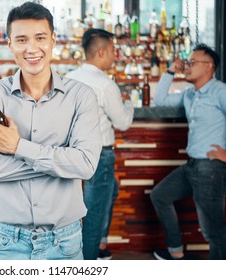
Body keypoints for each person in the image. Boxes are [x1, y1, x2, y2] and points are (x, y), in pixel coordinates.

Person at [0, 1, 101, 260]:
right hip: (5, 243)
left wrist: (18, 147)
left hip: (64, 244)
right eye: (21, 39)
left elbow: (86, 165)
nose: (31, 48)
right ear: (9, 44)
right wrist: (60, 162)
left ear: (53, 40)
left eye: (40, 38)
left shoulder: (81, 96)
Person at [151, 43, 226, 260]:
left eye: (193, 62)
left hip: (210, 169)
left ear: (209, 67)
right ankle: (176, 254)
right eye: (188, 61)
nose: (187, 65)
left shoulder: (219, 91)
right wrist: (169, 71)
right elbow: (159, 101)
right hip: (192, 166)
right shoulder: (190, 94)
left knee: (213, 231)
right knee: (160, 196)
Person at [66, 28, 134, 260]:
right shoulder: (105, 84)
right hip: (99, 155)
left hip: (72, 153)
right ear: (102, 52)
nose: (116, 54)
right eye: (114, 50)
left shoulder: (69, 79)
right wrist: (130, 104)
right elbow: (123, 122)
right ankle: (87, 263)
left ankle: (100, 246)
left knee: (108, 192)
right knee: (93, 214)